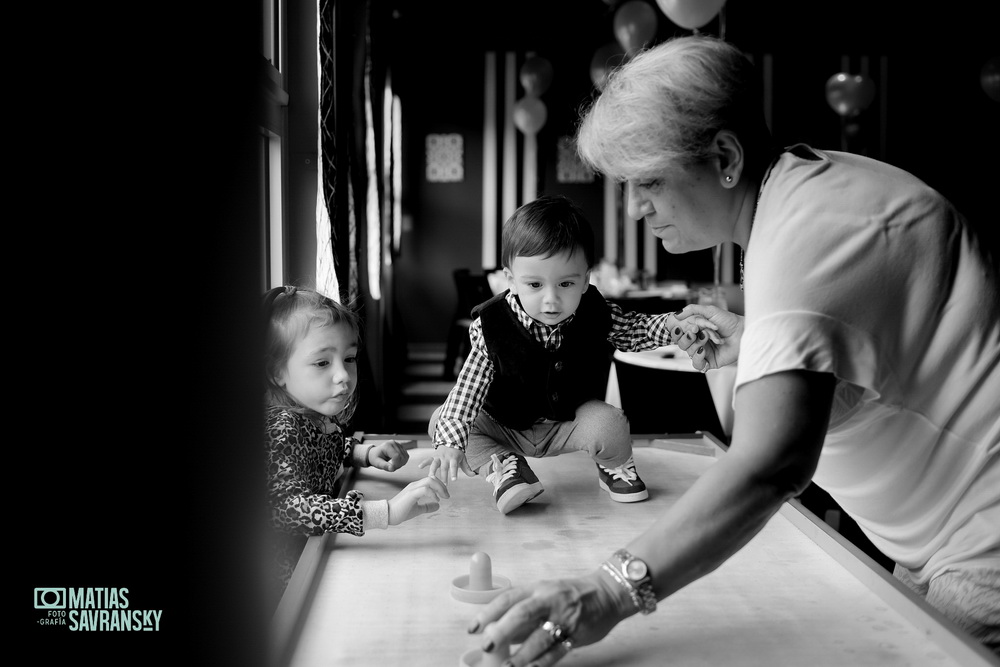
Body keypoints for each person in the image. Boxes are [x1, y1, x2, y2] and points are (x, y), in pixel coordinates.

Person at [465, 35, 999, 663]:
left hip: (982, 549)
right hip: (938, 542)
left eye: (648, 182)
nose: (636, 210)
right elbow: (882, 364)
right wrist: (754, 343)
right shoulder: (807, 194)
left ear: (724, 155)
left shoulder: (810, 234)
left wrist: (604, 592)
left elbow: (770, 466)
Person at [421, 194, 717, 514]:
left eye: (565, 284)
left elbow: (636, 329)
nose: (551, 300)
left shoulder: (594, 309)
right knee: (444, 422)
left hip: (568, 423)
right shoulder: (490, 325)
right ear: (510, 280)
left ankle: (614, 466)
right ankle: (506, 467)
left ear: (585, 280)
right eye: (534, 285)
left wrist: (674, 325)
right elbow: (468, 389)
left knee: (610, 422)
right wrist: (450, 444)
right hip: (504, 424)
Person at [264, 286, 448, 594]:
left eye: (349, 358)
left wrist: (363, 452)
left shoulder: (310, 414)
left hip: (314, 557)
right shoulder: (283, 427)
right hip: (285, 589)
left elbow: (320, 450)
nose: (344, 375)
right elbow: (288, 508)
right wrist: (385, 513)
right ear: (277, 372)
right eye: (322, 363)